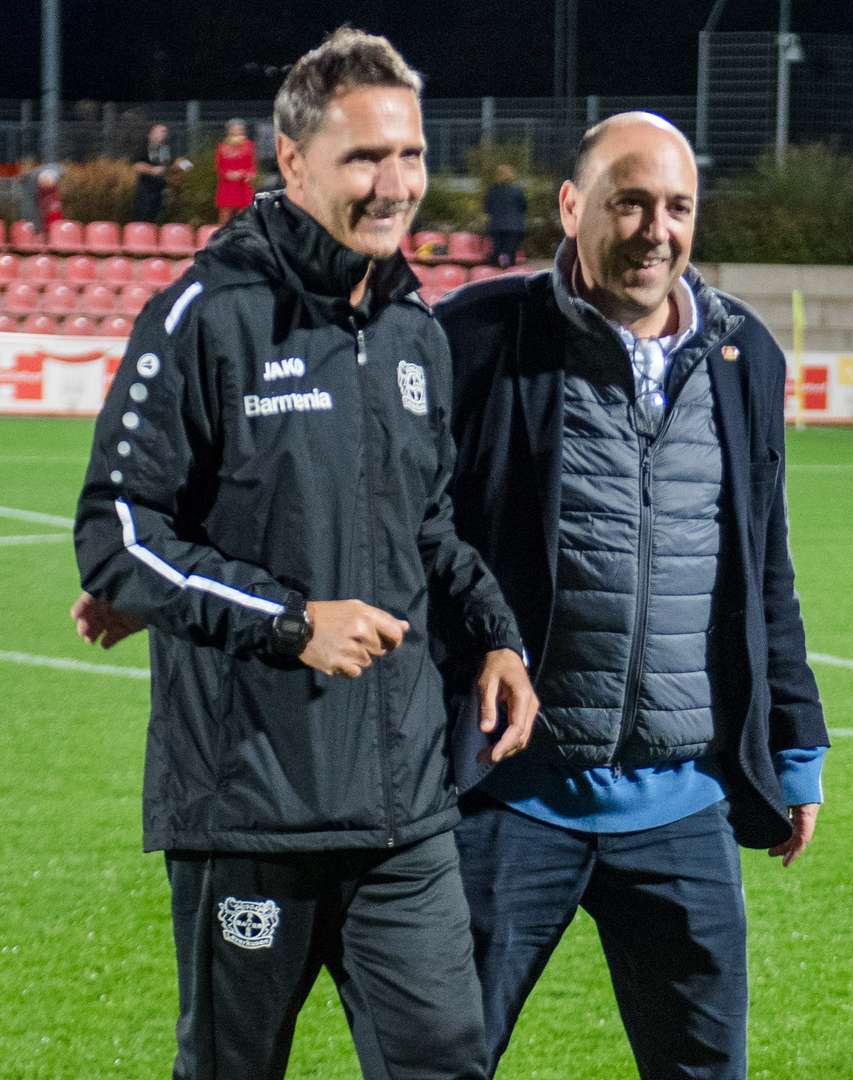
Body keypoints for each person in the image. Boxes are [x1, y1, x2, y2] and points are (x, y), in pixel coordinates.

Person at [68, 28, 537, 1078]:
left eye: (410, 154)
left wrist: (496, 639)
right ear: (292, 162)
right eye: (365, 157)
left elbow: (428, 533)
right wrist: (289, 626)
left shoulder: (415, 327)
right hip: (250, 810)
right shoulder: (204, 316)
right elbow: (118, 531)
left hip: (403, 814)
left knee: (448, 1061)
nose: (397, 183)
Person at [433, 112, 828, 1077]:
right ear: (572, 208)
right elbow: (415, 529)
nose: (657, 228)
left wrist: (797, 742)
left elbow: (761, 562)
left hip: (682, 801)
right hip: (508, 794)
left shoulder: (746, 355)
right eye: (631, 202)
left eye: (678, 207)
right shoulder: (479, 337)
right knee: (438, 1063)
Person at [214, 118, 258, 225]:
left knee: (244, 214)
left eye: (240, 129)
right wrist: (227, 174)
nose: (238, 131)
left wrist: (248, 174)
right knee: (225, 214)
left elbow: (252, 166)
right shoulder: (222, 146)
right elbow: (219, 167)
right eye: (235, 129)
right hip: (227, 186)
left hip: (243, 185)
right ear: (229, 130)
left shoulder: (249, 145)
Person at [483, 162, 526, 268]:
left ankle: (498, 270)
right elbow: (523, 207)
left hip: (496, 226)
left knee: (498, 250)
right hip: (513, 227)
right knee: (509, 252)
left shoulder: (492, 191)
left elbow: (487, 208)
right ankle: (506, 270)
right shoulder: (517, 191)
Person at [132, 123, 175, 223]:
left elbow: (172, 163)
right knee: (145, 217)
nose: (165, 134)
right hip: (147, 191)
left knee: (159, 218)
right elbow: (136, 165)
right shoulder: (144, 147)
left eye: (166, 132)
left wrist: (187, 166)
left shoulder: (165, 149)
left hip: (161, 191)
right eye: (162, 131)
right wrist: (152, 170)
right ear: (152, 133)